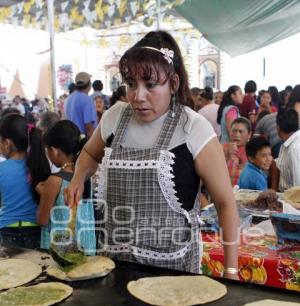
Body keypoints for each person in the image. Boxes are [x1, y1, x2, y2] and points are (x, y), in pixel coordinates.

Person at [64, 30, 239, 277]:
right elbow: (91, 154)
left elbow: (225, 203)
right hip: (116, 268)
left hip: (174, 273)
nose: (138, 96)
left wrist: (231, 271)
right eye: (131, 84)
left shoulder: (193, 128)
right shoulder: (115, 117)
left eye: (151, 84)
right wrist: (78, 178)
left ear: (173, 83)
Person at [36, 120, 96, 254]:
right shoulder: (86, 176)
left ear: (55, 151)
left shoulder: (54, 181)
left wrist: (43, 193)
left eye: (47, 150)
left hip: (59, 253)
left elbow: (42, 220)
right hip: (86, 248)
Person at [0, 114, 50, 248]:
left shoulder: (2, 168)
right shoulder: (39, 165)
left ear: (7, 143)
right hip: (35, 230)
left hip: (6, 230)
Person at [64, 72, 97, 139]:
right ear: (89, 85)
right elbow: (89, 127)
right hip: (83, 142)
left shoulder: (68, 99)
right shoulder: (87, 99)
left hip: (72, 140)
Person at [276, 109, 300, 192]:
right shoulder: (288, 143)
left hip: (292, 200)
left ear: (278, 127)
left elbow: (298, 187)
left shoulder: (294, 148)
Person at [223, 117, 251, 186]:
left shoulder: (252, 152)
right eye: (234, 131)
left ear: (249, 134)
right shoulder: (222, 148)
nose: (237, 135)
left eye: (241, 131)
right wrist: (227, 156)